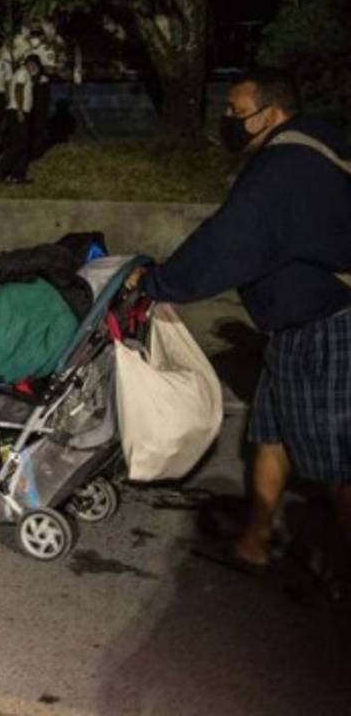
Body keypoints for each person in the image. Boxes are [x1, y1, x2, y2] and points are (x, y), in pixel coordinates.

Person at [126, 70, 351, 584]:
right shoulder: (321, 142)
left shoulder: (279, 172)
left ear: (270, 114)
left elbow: (225, 245)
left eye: (235, 111)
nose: (226, 120)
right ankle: (254, 540)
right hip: (295, 329)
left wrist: (159, 282)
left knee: (341, 462)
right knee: (270, 434)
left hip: (329, 326)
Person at [0, 56, 38, 185]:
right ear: (29, 64)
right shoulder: (23, 73)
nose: (35, 68)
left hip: (19, 111)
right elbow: (18, 89)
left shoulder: (22, 73)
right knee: (18, 144)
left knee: (23, 145)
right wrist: (20, 110)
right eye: (33, 65)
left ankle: (18, 175)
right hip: (18, 111)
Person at [24, 28, 57, 159]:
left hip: (41, 87)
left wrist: (39, 67)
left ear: (42, 37)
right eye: (32, 37)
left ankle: (37, 150)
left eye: (36, 36)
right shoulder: (27, 52)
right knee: (29, 118)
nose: (34, 39)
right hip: (29, 86)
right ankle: (29, 147)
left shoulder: (47, 51)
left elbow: (52, 70)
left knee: (40, 119)